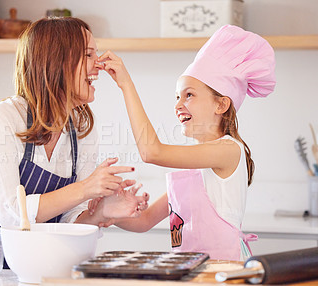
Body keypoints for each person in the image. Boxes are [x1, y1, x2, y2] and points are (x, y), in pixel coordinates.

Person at [0, 17, 149, 253]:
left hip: (32, 263)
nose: (99, 64)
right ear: (56, 62)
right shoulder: (2, 118)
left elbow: (69, 222)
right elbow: (12, 215)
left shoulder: (82, 131)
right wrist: (86, 188)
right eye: (88, 54)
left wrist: (102, 211)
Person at [94, 25, 276, 261]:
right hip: (192, 271)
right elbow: (145, 221)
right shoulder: (194, 167)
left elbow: (151, 152)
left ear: (221, 105)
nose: (178, 104)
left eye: (189, 95)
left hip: (223, 272)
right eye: (177, 96)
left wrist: (126, 85)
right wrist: (108, 212)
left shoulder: (229, 150)